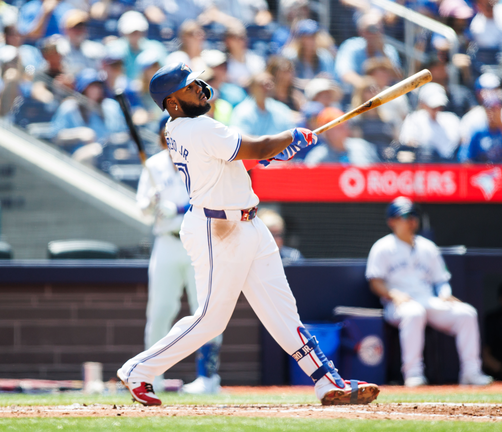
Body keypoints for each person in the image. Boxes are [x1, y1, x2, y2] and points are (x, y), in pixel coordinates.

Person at [116, 62, 381, 406]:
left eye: (196, 81)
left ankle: (327, 382)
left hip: (249, 223)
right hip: (217, 229)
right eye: (188, 86)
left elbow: (237, 158)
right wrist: (289, 137)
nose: (198, 87)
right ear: (172, 103)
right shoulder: (194, 128)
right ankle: (139, 369)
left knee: (284, 312)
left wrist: (269, 153)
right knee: (211, 319)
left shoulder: (189, 127)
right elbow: (253, 148)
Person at [137, 115, 224, 395]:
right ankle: (151, 378)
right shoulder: (153, 165)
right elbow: (141, 208)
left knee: (206, 309)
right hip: (166, 242)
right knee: (160, 311)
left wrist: (175, 208)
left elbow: (209, 199)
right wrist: (152, 204)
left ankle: (208, 378)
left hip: (198, 242)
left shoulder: (201, 160)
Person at [366, 197, 493, 387]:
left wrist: (444, 294)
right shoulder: (382, 247)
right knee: (414, 312)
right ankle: (413, 374)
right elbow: (375, 281)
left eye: (413, 216)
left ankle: (471, 372)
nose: (410, 221)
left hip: (427, 299)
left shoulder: (428, 247)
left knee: (467, 313)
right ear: (392, 221)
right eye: (405, 217)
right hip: (398, 304)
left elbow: (441, 280)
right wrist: (393, 294)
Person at [49, 68, 127, 156]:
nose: (95, 90)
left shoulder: (111, 106)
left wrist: (112, 141)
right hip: (74, 159)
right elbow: (55, 137)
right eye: (91, 86)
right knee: (91, 153)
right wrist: (78, 134)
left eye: (98, 86)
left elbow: (124, 133)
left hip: (108, 154)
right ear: (82, 90)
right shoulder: (69, 107)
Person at [334, 10, 402, 93]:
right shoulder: (351, 46)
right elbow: (344, 74)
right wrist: (367, 87)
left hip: (383, 95)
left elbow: (398, 77)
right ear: (361, 31)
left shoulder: (389, 50)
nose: (372, 33)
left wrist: (383, 51)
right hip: (354, 96)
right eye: (368, 29)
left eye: (375, 29)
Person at [460, 73, 502, 148]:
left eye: (495, 89)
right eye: (487, 90)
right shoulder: (470, 118)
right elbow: (466, 150)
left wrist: (501, 124)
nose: (492, 93)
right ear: (478, 93)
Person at [398, 82, 461, 163]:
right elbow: (407, 141)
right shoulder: (414, 119)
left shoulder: (452, 119)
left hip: (450, 165)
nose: (437, 109)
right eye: (433, 107)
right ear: (423, 103)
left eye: (439, 106)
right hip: (424, 166)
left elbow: (462, 142)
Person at [459, 90, 502, 164]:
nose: (491, 112)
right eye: (488, 109)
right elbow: (465, 157)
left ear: (500, 109)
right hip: (485, 172)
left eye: (494, 109)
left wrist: (501, 124)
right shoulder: (478, 132)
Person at [230, 72, 296, 138]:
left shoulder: (281, 109)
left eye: (270, 84)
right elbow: (240, 138)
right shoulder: (242, 111)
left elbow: (291, 135)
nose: (267, 88)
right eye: (262, 84)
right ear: (252, 87)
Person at [304, 107, 379, 166]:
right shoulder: (318, 158)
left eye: (344, 124)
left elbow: (378, 174)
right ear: (327, 133)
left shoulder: (363, 147)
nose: (344, 127)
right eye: (338, 126)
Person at [105, 10, 168, 81]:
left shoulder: (156, 48)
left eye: (138, 32)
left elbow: (164, 73)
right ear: (123, 33)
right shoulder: (115, 48)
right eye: (132, 33)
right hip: (122, 90)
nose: (136, 36)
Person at [282, 19, 336, 86]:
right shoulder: (290, 56)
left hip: (318, 94)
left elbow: (331, 80)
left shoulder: (324, 56)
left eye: (313, 36)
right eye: (307, 37)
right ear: (300, 38)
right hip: (296, 94)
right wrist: (312, 82)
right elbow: (286, 81)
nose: (311, 41)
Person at [59, 9, 105, 76]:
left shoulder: (97, 49)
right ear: (66, 29)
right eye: (75, 28)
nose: (79, 31)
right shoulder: (59, 49)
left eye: (81, 27)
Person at [224, 22, 267, 89]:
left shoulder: (256, 60)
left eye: (242, 37)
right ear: (227, 41)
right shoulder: (222, 63)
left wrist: (251, 80)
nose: (240, 41)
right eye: (235, 37)